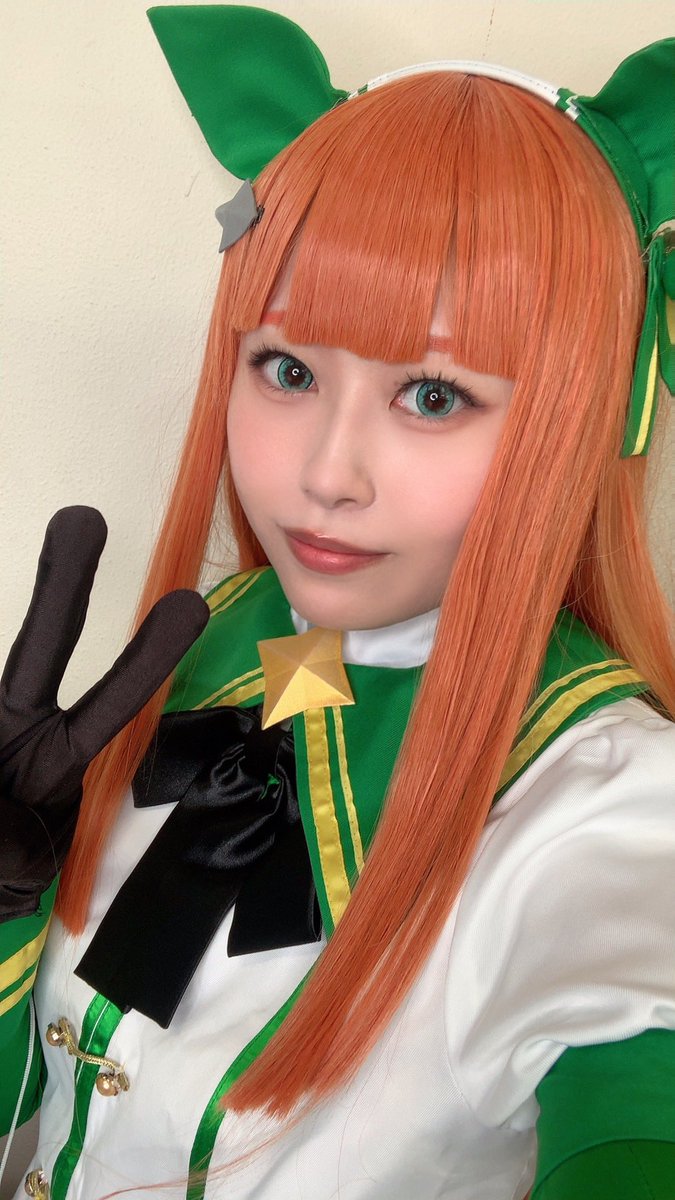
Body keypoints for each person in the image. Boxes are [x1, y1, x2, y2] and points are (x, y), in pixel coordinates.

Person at [1, 7, 674, 1199]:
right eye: (289, 368)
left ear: (577, 422)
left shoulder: (611, 807)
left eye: (434, 394)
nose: (325, 474)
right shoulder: (204, 655)